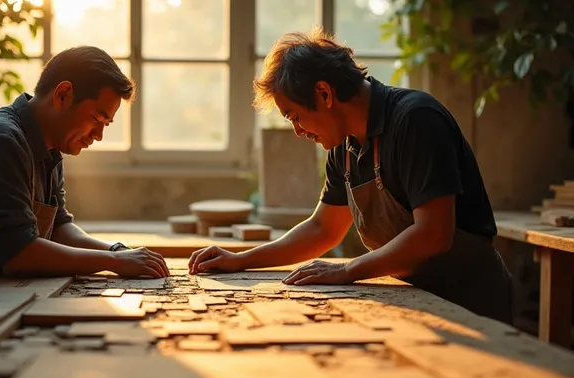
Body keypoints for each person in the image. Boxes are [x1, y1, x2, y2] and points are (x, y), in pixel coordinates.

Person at [188, 29, 513, 324]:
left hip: (470, 301)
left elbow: (434, 234)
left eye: (295, 116)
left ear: (324, 94)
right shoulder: (343, 148)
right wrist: (241, 260)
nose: (298, 132)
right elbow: (322, 229)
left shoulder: (416, 120)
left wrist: (347, 269)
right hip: (417, 297)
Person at [0, 46, 170, 322]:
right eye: (97, 119)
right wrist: (112, 263)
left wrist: (116, 251)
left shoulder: (49, 148)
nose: (97, 136)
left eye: (106, 125)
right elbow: (16, 254)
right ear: (63, 95)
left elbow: (59, 228)